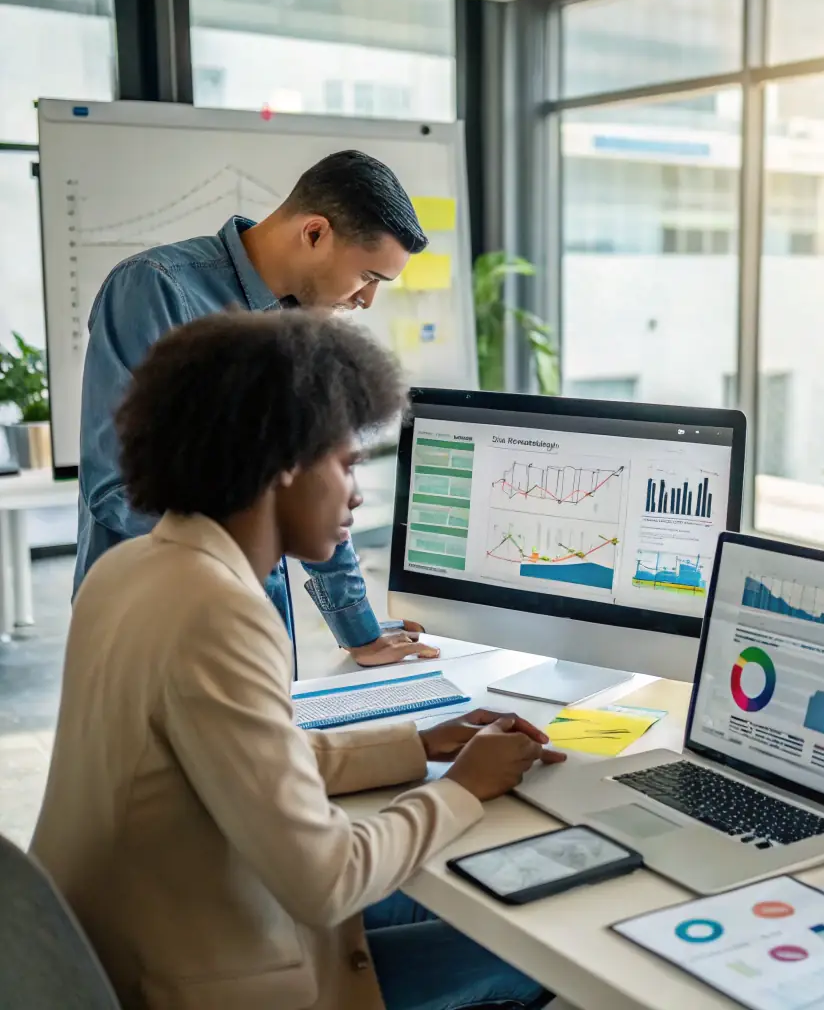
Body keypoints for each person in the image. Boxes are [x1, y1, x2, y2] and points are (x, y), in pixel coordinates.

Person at [32, 309, 565, 1010]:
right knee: (539, 952)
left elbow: (241, 762)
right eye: (346, 464)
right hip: (191, 980)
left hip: (117, 946)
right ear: (282, 462)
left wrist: (416, 746)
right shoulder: (215, 609)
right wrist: (463, 787)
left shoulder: (131, 567)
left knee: (468, 898)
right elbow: (327, 880)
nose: (356, 492)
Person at [76, 149, 433, 666]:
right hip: (152, 628)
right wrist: (252, 540)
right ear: (314, 233)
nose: (368, 300)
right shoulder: (155, 288)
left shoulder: (307, 319)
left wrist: (359, 629)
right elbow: (115, 490)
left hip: (254, 629)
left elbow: (315, 487)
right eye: (369, 276)